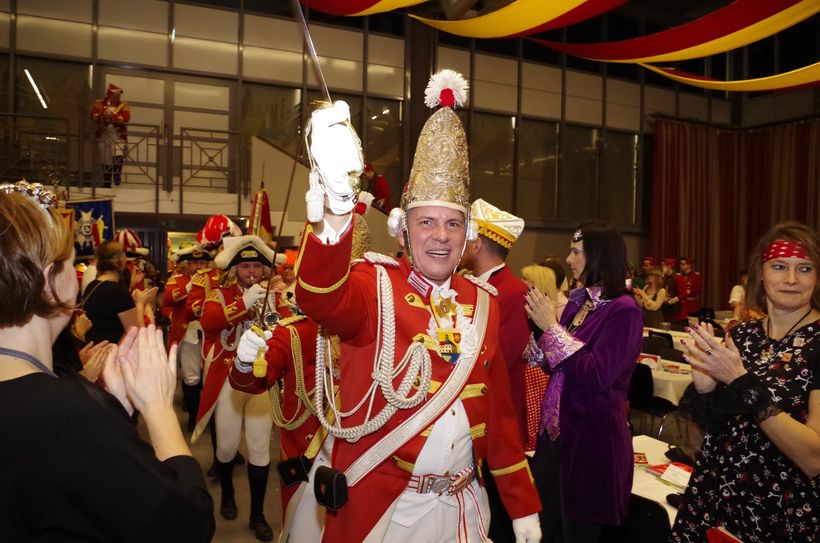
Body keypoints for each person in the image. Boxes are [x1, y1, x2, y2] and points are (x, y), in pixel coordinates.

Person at [295, 69, 541, 542]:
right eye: (426, 222)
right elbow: (319, 297)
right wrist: (336, 211)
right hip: (389, 511)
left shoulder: (484, 302)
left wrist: (521, 503)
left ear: (468, 237)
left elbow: (499, 412)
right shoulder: (373, 285)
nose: (441, 236)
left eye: (453, 224)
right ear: (403, 231)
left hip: (466, 507)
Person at [0, 181, 214, 542]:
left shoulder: (62, 396)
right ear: (50, 282)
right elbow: (189, 524)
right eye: (73, 265)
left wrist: (111, 406)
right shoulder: (65, 412)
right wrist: (158, 409)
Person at [671, 222, 820, 542]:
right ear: (760, 273)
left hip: (778, 517)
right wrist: (705, 391)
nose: (791, 279)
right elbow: (706, 437)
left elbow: (814, 459)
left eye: (804, 268)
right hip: (713, 505)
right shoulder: (741, 335)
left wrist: (741, 383)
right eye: (779, 266)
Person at [524, 221, 643, 543]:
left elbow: (596, 376)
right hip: (555, 435)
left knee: (577, 532)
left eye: (576, 252)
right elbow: (558, 365)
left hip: (592, 441)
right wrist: (538, 336)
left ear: (598, 256)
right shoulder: (579, 303)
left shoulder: (624, 310)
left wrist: (551, 329)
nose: (569, 259)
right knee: (537, 528)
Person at [196, 234, 276, 541]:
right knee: (227, 447)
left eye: (256, 266)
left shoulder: (272, 294)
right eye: (245, 266)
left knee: (259, 449)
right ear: (235, 269)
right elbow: (209, 322)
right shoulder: (219, 294)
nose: (251, 271)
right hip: (229, 381)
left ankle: (258, 515)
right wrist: (244, 302)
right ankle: (228, 494)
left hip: (260, 380)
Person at [459, 198, 528, 543]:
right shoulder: (472, 286)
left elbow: (500, 360)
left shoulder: (513, 292)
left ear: (477, 244)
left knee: (498, 518)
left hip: (495, 421)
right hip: (472, 419)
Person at [162, 245, 212, 430]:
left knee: (210, 377)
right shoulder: (177, 279)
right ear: (186, 264)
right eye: (194, 263)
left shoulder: (215, 279)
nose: (198, 266)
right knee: (191, 377)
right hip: (188, 332)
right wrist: (188, 288)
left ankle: (209, 416)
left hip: (211, 333)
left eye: (202, 262)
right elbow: (167, 299)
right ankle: (193, 418)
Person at [83, 240, 155, 344]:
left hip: (94, 349)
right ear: (120, 260)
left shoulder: (92, 285)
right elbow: (134, 332)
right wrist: (140, 303)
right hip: (111, 351)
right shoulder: (117, 292)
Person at [90, 83, 130, 187]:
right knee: (105, 159)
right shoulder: (99, 103)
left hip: (118, 135)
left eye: (118, 97)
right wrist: (102, 116)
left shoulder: (123, 105)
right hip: (103, 134)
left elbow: (126, 117)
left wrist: (114, 117)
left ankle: (117, 175)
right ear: (109, 95)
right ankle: (107, 182)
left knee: (118, 152)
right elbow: (93, 115)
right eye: (114, 96)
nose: (116, 99)